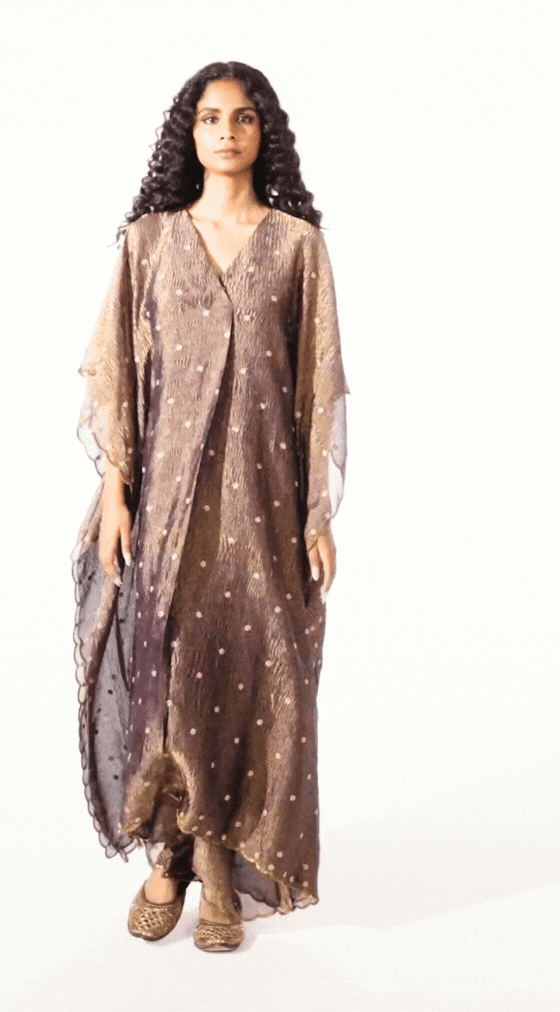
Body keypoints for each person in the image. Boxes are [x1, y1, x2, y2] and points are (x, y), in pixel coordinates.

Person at [71, 60, 350, 952]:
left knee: (256, 672)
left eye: (243, 117)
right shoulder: (150, 241)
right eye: (209, 117)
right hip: (167, 504)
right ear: (187, 133)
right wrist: (116, 490)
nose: (226, 132)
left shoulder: (298, 247)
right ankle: (169, 852)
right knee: (171, 668)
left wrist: (316, 516)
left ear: (266, 132)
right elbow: (117, 369)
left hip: (263, 504)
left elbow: (318, 388)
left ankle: (222, 862)